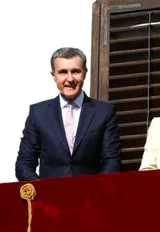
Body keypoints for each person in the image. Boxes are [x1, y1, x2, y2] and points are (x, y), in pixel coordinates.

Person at [15, 47, 121, 181]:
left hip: (91, 198)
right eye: (63, 72)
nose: (70, 79)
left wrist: (96, 191)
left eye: (75, 71)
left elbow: (111, 160)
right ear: (54, 75)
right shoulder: (38, 113)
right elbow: (24, 163)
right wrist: (41, 190)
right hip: (50, 198)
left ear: (85, 73)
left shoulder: (104, 112)